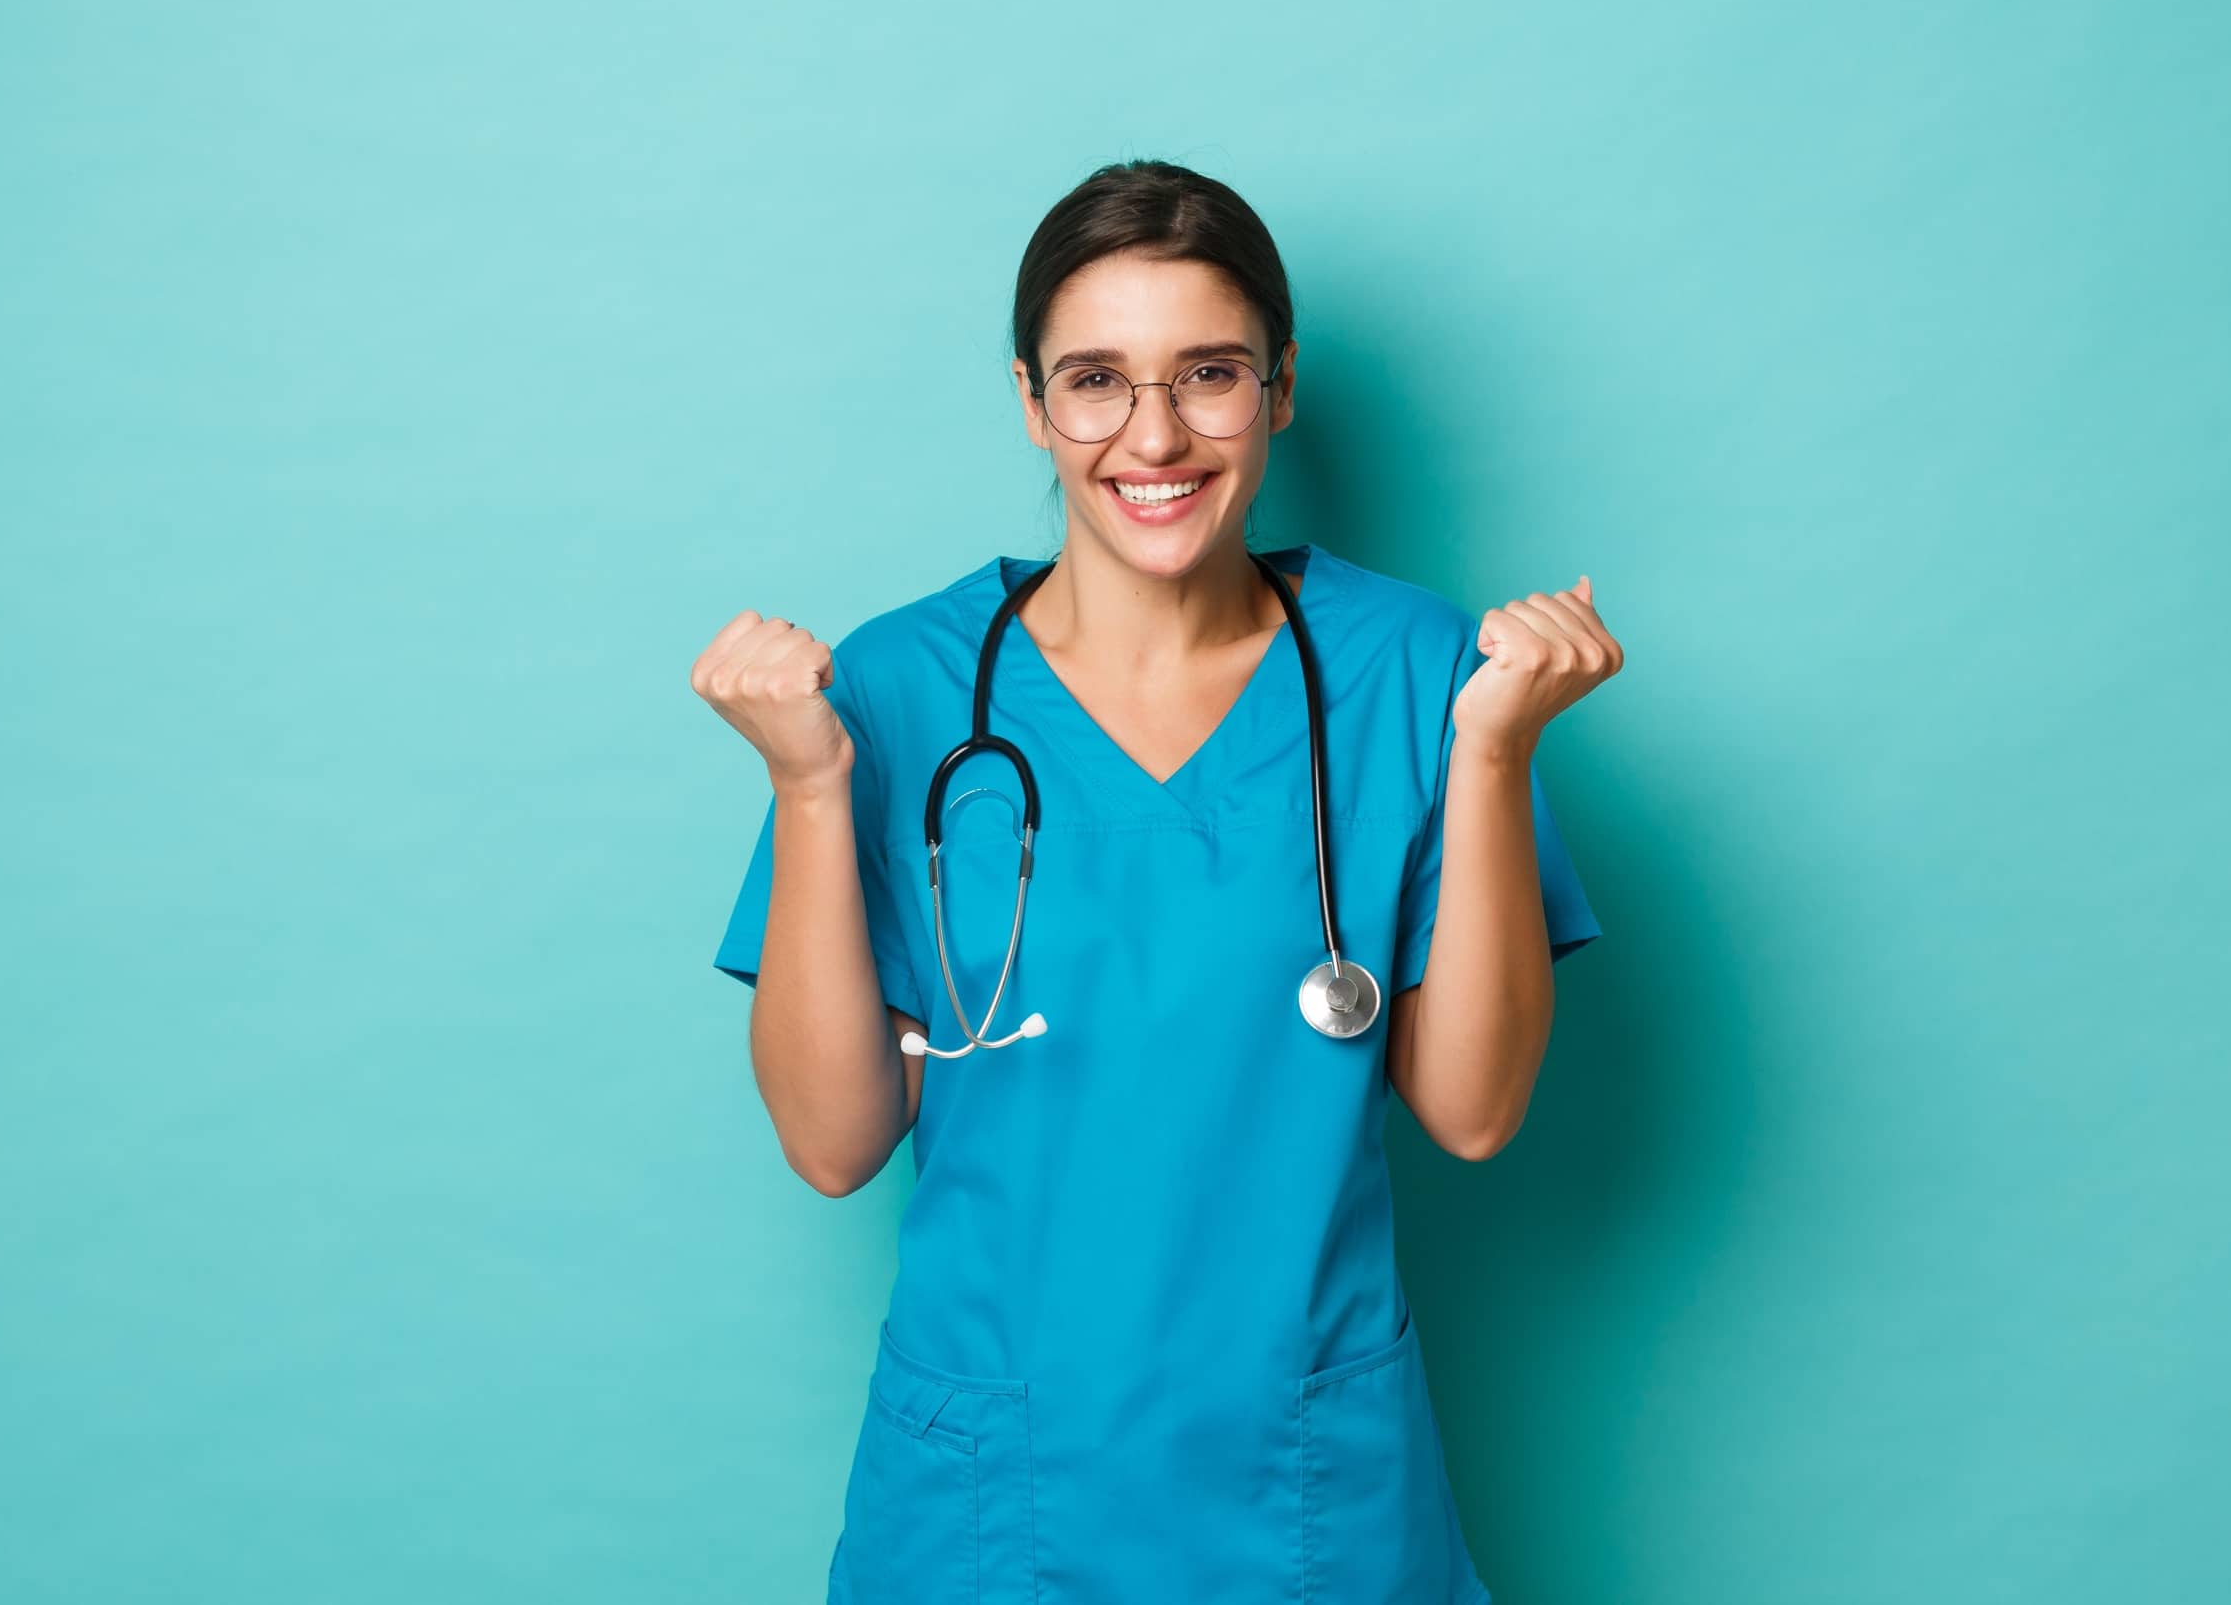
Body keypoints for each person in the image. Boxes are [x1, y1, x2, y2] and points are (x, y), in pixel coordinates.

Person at [692, 159, 1622, 1605]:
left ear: (1282, 387)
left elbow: (1475, 1110)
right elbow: (831, 1143)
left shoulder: (1419, 674)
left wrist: (1493, 755)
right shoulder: (893, 689)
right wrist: (810, 784)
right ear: (1031, 405)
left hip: (1309, 1491)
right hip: (994, 1500)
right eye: (1096, 381)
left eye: (1209, 374)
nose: (1155, 435)